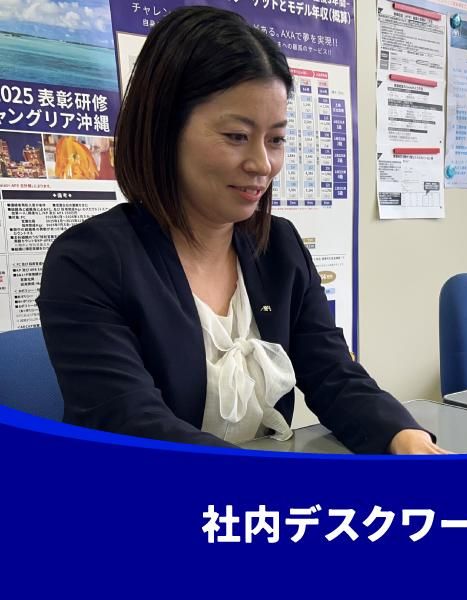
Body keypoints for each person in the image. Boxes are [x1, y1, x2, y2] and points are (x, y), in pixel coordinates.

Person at [37, 6, 445, 454]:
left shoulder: (280, 247)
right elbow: (134, 423)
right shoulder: (89, 261)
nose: (262, 164)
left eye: (276, 139)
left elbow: (334, 373)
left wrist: (404, 437)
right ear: (164, 130)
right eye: (236, 136)